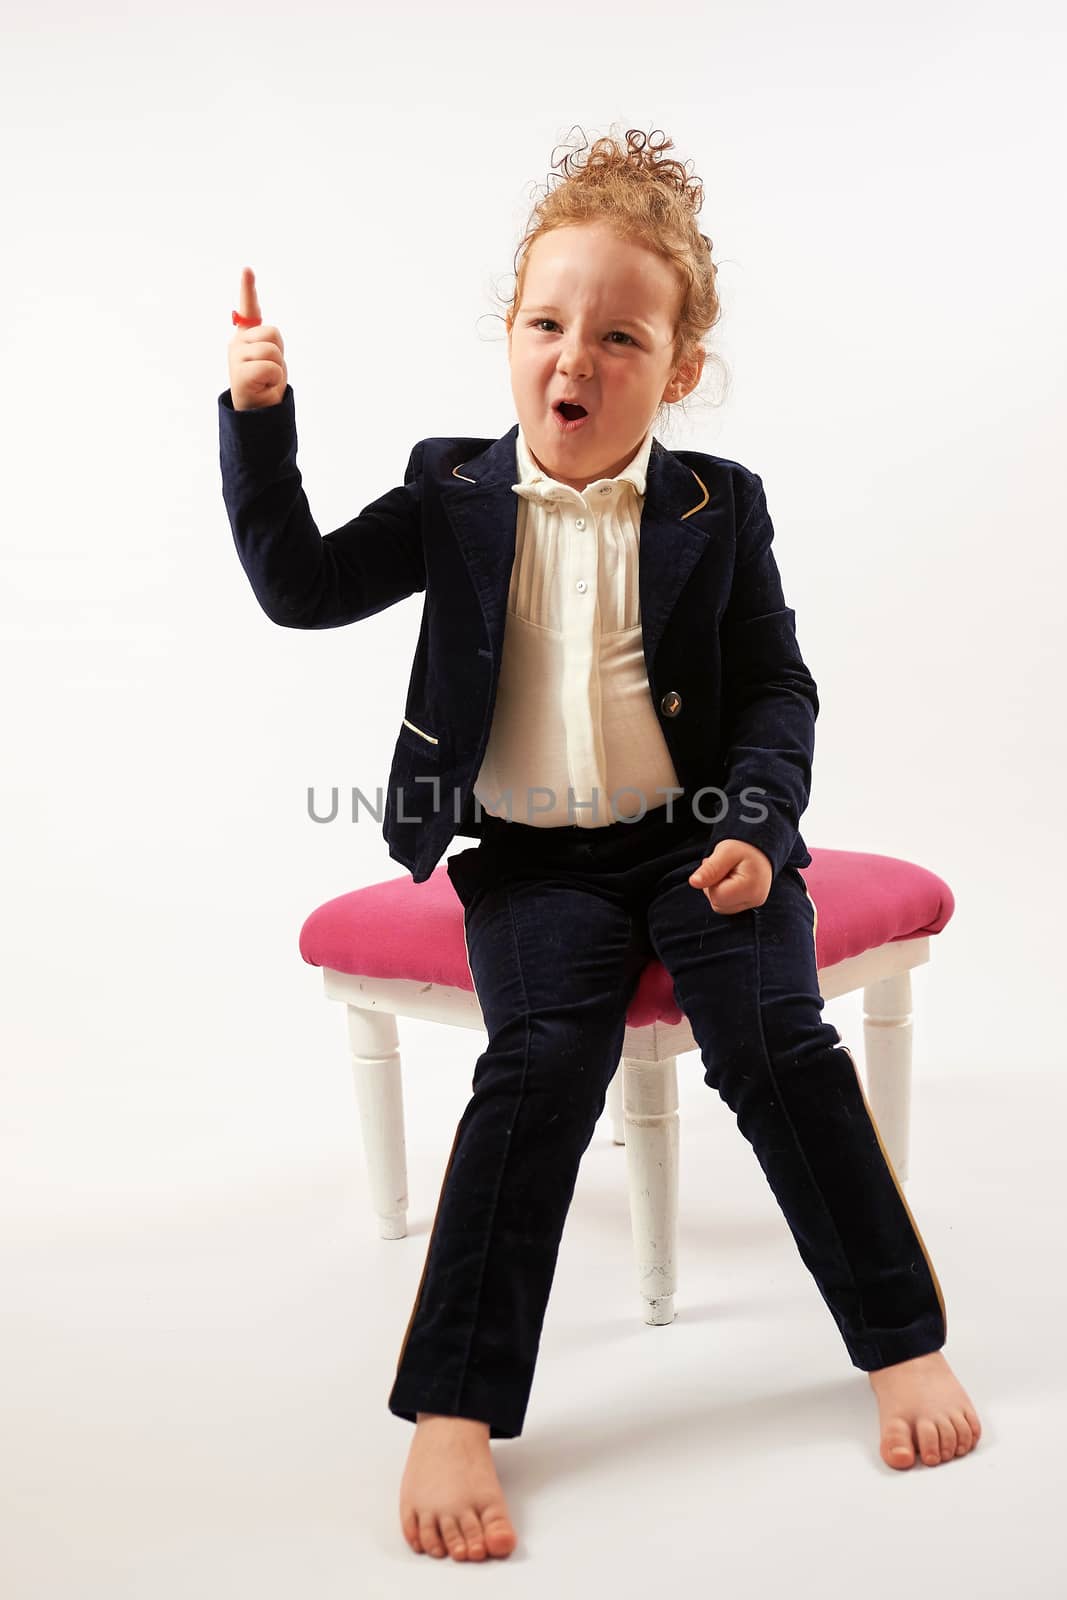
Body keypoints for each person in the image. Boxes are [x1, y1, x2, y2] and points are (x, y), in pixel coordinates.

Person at [218, 124, 981, 1565]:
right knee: (538, 1066)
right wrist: (261, 419)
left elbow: (775, 689)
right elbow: (301, 587)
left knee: (776, 1040)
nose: (577, 357)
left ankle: (897, 1337)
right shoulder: (450, 495)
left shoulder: (719, 505)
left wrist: (760, 824)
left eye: (620, 336)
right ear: (509, 335)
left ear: (677, 369)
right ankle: (455, 1404)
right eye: (547, 324)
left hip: (705, 848)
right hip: (531, 862)